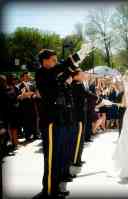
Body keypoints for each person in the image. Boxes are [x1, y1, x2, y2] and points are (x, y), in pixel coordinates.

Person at [33, 44, 92, 199]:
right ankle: (49, 190)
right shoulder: (42, 73)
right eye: (53, 60)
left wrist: (80, 58)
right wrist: (76, 55)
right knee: (52, 157)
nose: (56, 62)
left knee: (59, 156)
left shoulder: (53, 74)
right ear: (45, 61)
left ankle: (56, 185)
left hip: (60, 120)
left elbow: (66, 70)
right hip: (51, 121)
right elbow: (61, 69)